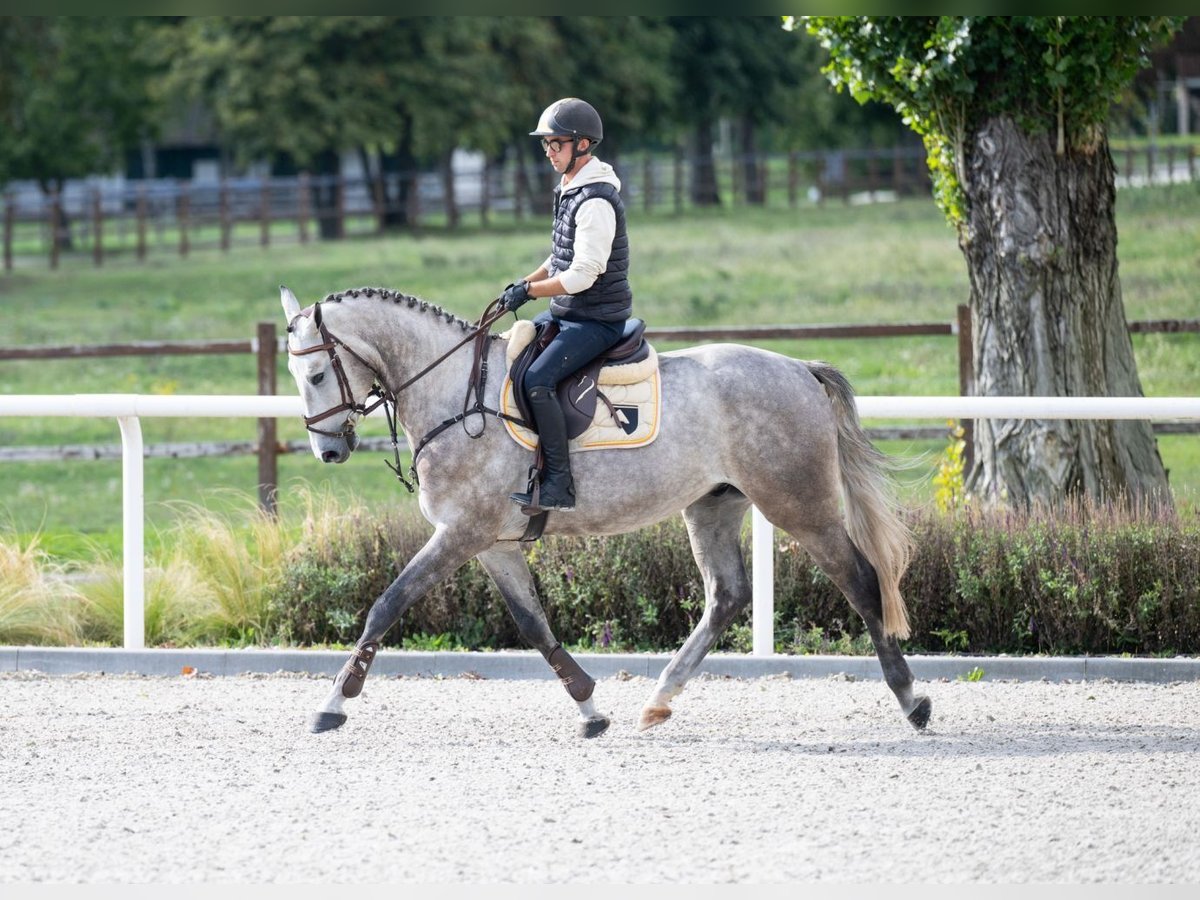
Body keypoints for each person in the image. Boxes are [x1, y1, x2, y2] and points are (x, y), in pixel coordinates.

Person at [499, 97, 633, 514]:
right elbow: (560, 259)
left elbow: (583, 275)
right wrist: (526, 281)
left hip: (596, 319)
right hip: (570, 312)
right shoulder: (571, 189)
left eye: (555, 143)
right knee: (514, 354)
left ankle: (558, 483)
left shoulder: (595, 201)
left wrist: (533, 294)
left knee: (538, 379)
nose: (548, 152)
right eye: (546, 145)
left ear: (582, 144)